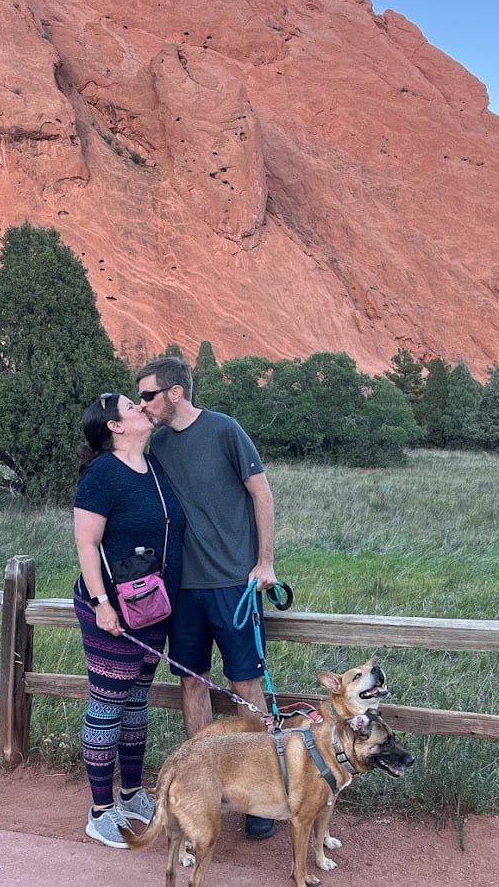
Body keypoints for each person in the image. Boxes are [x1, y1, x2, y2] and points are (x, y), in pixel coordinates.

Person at [135, 355, 278, 840]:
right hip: (182, 590)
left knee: (246, 687)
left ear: (175, 392)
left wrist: (265, 563)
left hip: (233, 585)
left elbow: (262, 494)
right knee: (192, 686)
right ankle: (204, 786)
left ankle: (259, 792)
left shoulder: (224, 430)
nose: (143, 404)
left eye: (148, 395)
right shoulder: (156, 446)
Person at [72, 391, 186, 848]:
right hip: (113, 609)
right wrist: (102, 603)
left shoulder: (153, 466)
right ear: (114, 427)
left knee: (136, 703)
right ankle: (100, 811)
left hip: (151, 608)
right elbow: (86, 545)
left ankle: (133, 793)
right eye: (131, 407)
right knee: (107, 705)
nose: (141, 408)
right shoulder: (103, 474)